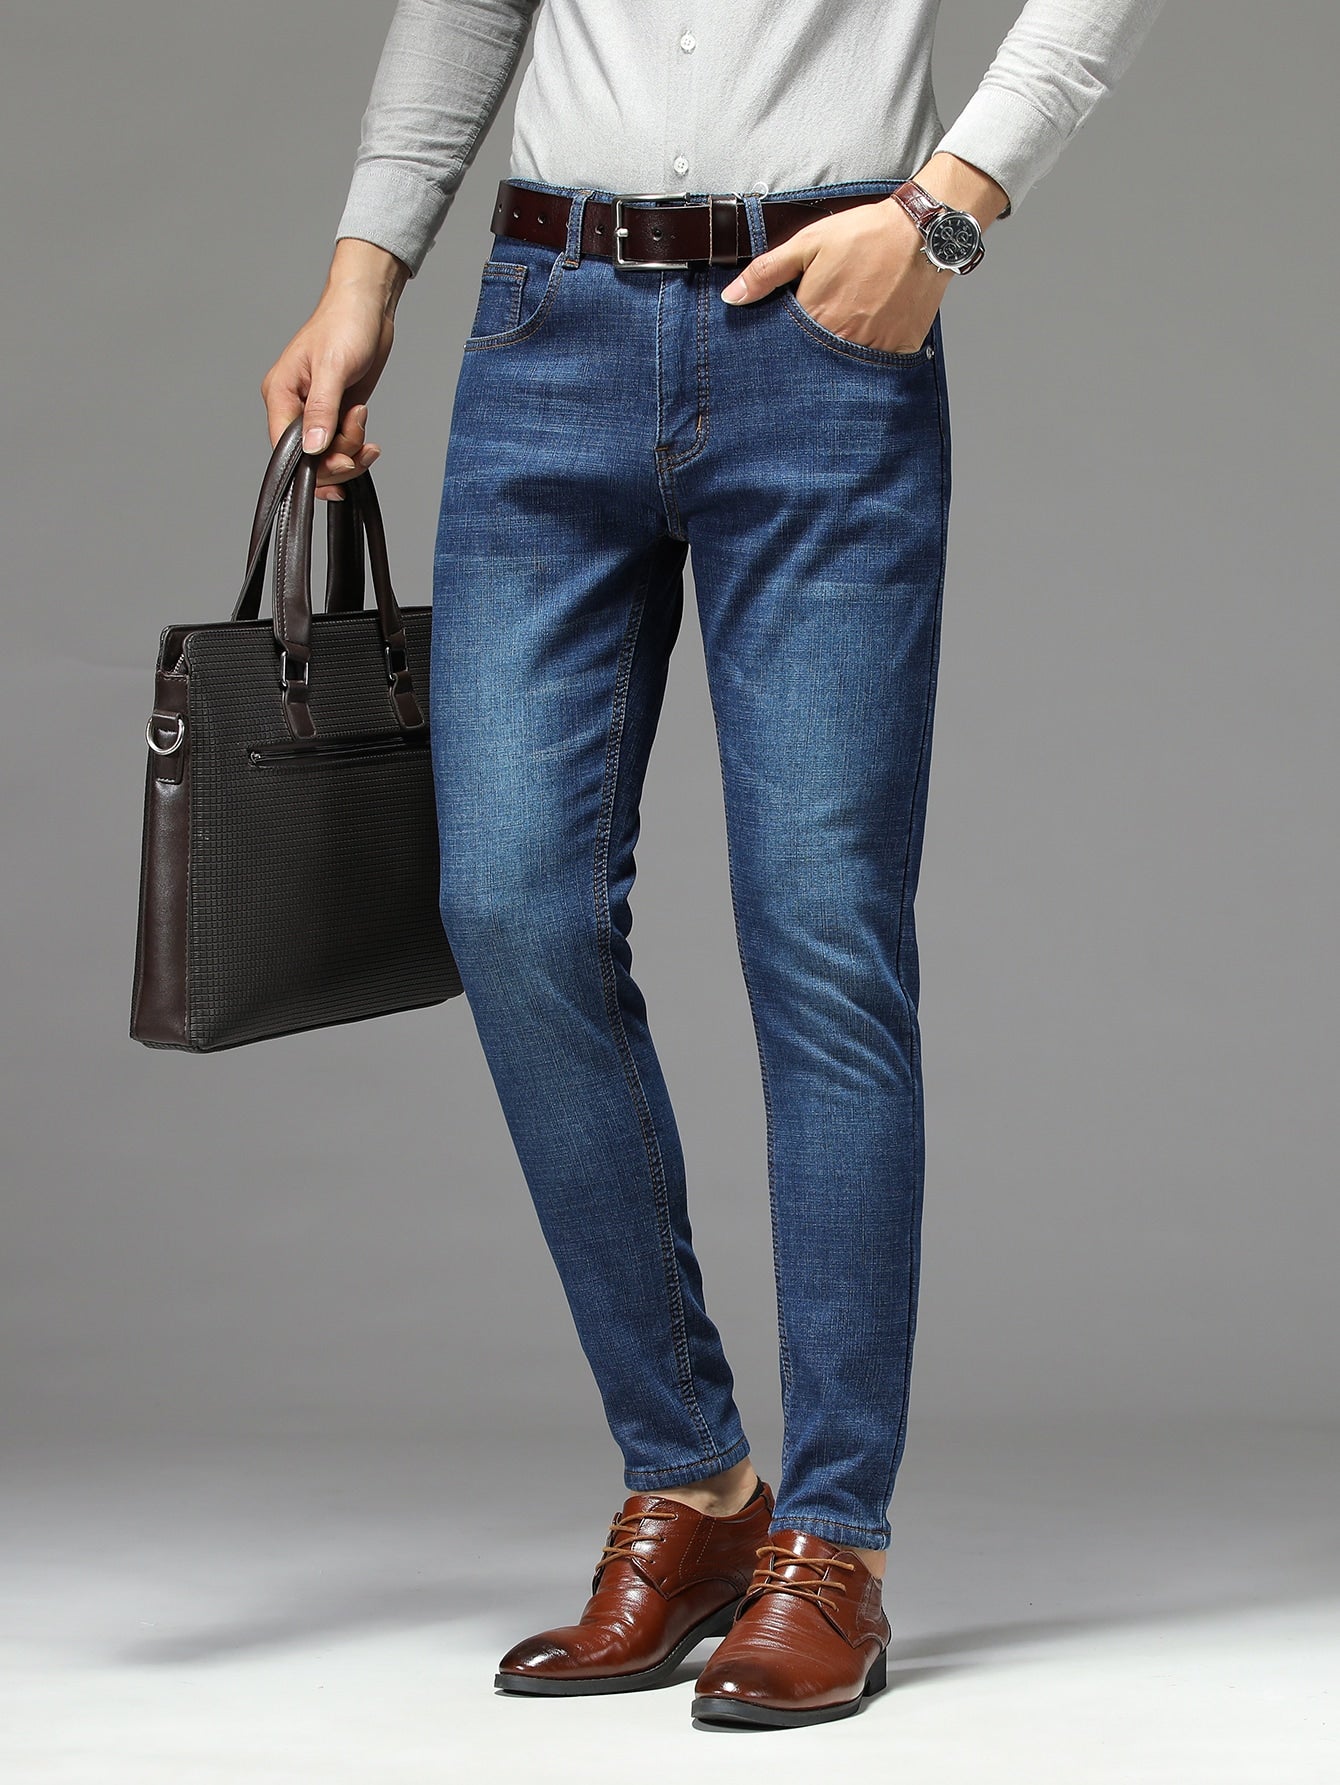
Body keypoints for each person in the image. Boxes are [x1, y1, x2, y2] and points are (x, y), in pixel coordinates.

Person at [261, 0, 1166, 1731]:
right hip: (547, 322)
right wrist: (366, 266)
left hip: (821, 325)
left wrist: (948, 210)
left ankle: (832, 1540)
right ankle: (692, 1483)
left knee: (821, 932)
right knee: (507, 904)